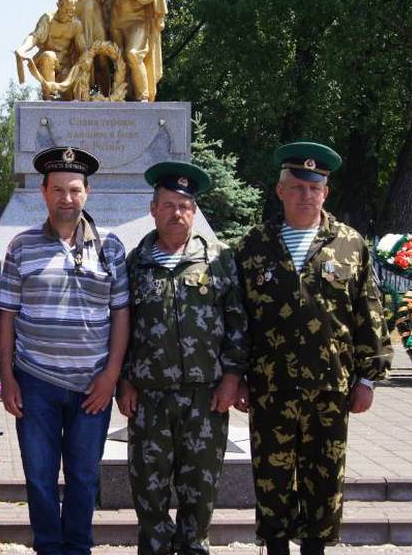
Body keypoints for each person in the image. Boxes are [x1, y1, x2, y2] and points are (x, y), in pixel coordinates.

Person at [235, 142, 392, 555]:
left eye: (314, 187)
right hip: (271, 388)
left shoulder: (350, 244)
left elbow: (369, 312)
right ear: (280, 190)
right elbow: (239, 318)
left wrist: (368, 379)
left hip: (330, 388)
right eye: (297, 186)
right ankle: (276, 549)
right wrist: (236, 376)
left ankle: (315, 550)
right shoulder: (254, 246)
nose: (306, 194)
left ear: (326, 192)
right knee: (272, 476)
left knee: (323, 480)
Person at [0, 146, 130, 555]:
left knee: (84, 476)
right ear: (43, 192)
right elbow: (7, 317)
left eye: (74, 189)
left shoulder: (111, 247)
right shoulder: (22, 247)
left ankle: (78, 548)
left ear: (88, 192)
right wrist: (7, 377)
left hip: (92, 385)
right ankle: (48, 548)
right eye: (57, 189)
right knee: (38, 476)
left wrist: (110, 377)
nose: (66, 198)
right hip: (36, 382)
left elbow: (121, 316)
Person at [118, 161, 249, 555]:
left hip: (204, 399)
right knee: (149, 494)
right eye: (170, 204)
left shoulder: (220, 259)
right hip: (149, 398)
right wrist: (124, 380)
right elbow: (121, 328)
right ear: (153, 208)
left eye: (186, 206)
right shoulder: (134, 263)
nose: (178, 213)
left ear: (194, 211)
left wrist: (231, 379)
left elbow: (238, 322)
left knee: (200, 494)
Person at [16, 0, 87, 99]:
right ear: (58, 5)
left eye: (72, 11)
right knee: (49, 56)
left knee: (72, 99)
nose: (69, 14)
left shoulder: (76, 25)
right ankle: (49, 96)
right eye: (66, 10)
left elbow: (83, 48)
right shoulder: (48, 19)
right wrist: (22, 49)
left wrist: (86, 59)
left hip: (66, 67)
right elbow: (35, 37)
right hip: (47, 64)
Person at [108, 0, 166, 101]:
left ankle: (143, 95)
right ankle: (121, 94)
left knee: (133, 54)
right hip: (116, 16)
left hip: (138, 18)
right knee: (119, 59)